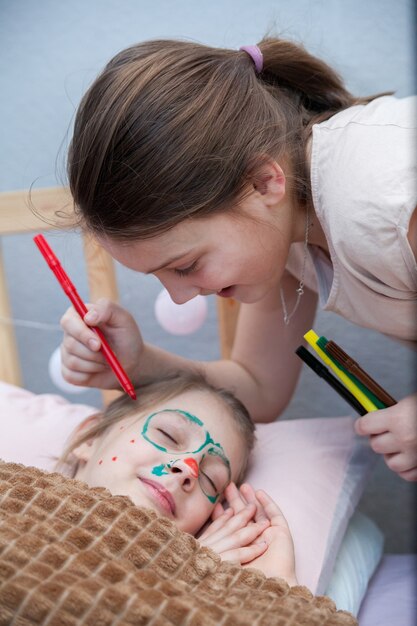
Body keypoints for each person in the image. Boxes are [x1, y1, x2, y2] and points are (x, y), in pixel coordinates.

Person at [60, 37, 417, 481]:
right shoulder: (283, 232)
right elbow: (259, 387)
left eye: (186, 265)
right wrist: (139, 363)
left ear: (264, 183)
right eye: (162, 277)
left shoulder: (380, 198)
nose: (183, 296)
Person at [58, 371, 298, 585]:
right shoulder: (20, 497)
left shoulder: (196, 585)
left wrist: (277, 587)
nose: (188, 468)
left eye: (209, 479)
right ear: (91, 438)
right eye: (168, 435)